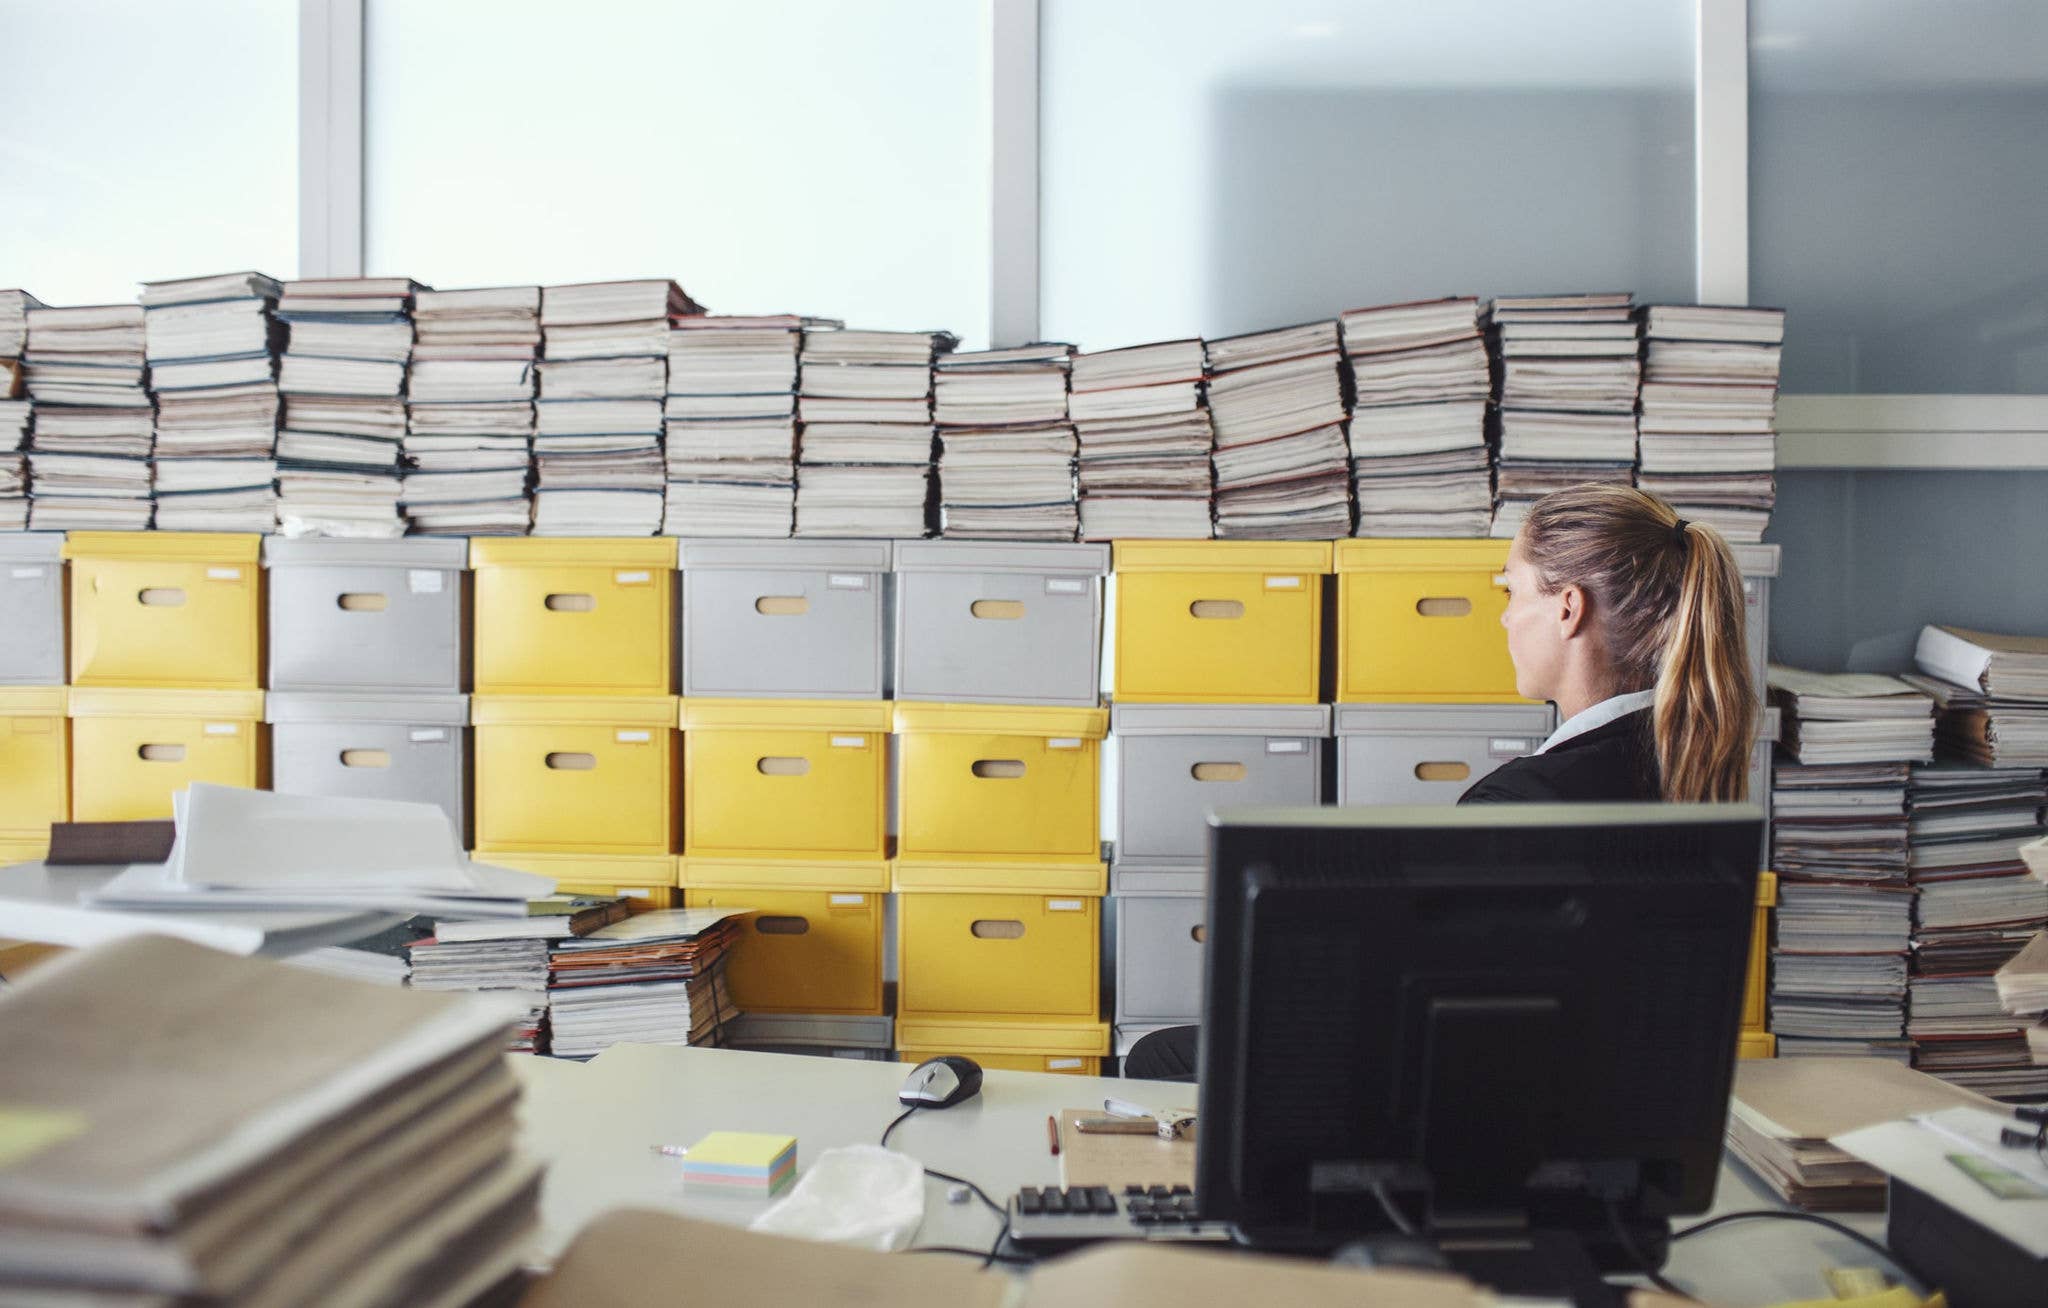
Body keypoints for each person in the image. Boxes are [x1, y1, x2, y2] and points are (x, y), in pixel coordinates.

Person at [1460, 484, 1757, 804]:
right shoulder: (1696, 765)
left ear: (1569, 609)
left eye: (1511, 591)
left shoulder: (1509, 803)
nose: (1505, 618)